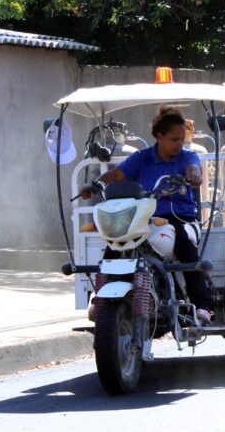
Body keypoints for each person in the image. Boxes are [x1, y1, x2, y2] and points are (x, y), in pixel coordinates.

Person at [82, 105, 213, 323]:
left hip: (180, 218)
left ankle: (203, 306)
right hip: (145, 218)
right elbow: (116, 175)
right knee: (115, 244)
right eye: (174, 139)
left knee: (186, 243)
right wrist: (94, 184)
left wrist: (195, 176)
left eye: (181, 139)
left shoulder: (187, 157)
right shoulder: (141, 158)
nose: (179, 144)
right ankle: (100, 300)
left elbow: (194, 169)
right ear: (159, 136)